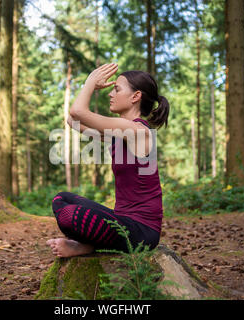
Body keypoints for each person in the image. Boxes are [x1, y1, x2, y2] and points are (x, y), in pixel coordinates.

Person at [47, 63, 170, 258]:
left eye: (116, 89)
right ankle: (89, 245)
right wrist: (91, 87)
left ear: (135, 96)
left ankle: (88, 246)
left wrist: (90, 83)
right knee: (61, 199)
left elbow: (78, 112)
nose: (110, 94)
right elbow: (73, 120)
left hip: (143, 232)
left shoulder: (138, 131)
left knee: (70, 216)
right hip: (122, 221)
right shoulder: (118, 133)